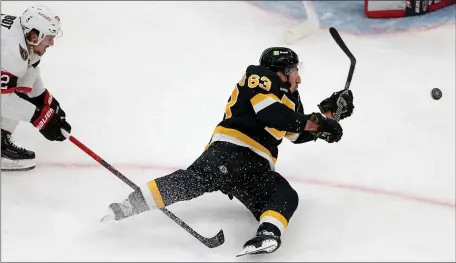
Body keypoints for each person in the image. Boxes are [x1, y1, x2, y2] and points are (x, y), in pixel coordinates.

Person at [101, 47, 354, 255]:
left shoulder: (291, 100)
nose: (299, 78)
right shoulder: (260, 75)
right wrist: (318, 123)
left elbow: (296, 133)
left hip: (255, 167)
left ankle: (267, 234)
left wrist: (329, 117)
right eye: (296, 71)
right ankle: (128, 205)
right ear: (281, 72)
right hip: (231, 152)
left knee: (284, 194)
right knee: (192, 181)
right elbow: (272, 115)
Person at [1, 5, 72, 172]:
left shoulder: (22, 37)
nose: (52, 43)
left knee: (21, 85)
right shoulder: (11, 52)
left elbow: (29, 73)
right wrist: (40, 117)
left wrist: (46, 101)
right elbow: (3, 102)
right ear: (35, 36)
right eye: (49, 37)